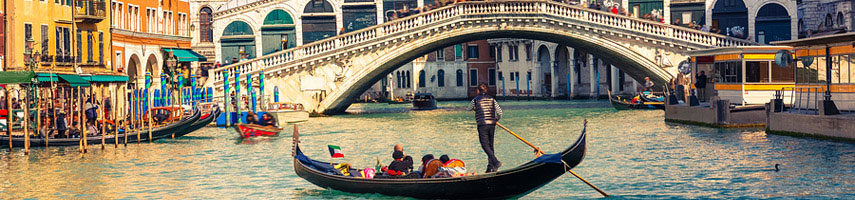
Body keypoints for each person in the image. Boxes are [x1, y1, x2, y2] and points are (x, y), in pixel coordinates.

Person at [468, 83, 503, 173]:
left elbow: (469, 108)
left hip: (482, 124)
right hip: (492, 124)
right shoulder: (492, 99)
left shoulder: (475, 100)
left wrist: (475, 108)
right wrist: (496, 119)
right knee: (490, 145)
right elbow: (500, 112)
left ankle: (495, 162)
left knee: (485, 145)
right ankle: (491, 167)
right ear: (486, 91)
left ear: (478, 91)